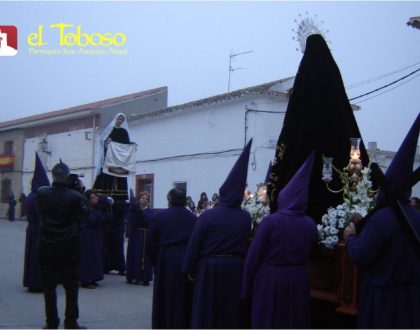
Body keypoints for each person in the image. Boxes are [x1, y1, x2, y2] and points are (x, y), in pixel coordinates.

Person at [344, 113, 420, 328]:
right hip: (412, 299)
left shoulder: (383, 218)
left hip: (384, 300)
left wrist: (350, 238)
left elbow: (360, 254)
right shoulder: (416, 216)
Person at [241, 152, 319, 328]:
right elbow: (311, 251)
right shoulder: (310, 224)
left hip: (271, 280)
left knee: (269, 319)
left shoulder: (271, 221)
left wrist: (246, 288)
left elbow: (253, 256)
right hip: (299, 280)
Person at [183, 140, 253, 329]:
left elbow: (195, 243)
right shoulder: (245, 217)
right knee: (230, 311)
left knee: (208, 310)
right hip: (235, 268)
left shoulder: (209, 215)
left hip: (210, 269)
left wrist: (189, 267)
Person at [36, 161, 89, 329]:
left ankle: (51, 322)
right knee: (71, 288)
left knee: (49, 289)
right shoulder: (74, 196)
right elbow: (83, 216)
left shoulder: (42, 193)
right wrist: (80, 193)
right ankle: (71, 322)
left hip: (46, 246)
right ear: (67, 177)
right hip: (67, 247)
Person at [147, 188, 197, 329]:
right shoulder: (193, 217)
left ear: (170, 200)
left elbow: (151, 240)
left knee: (165, 294)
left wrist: (153, 260)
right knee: (183, 295)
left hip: (166, 258)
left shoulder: (160, 215)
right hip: (185, 257)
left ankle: (163, 323)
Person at [23, 152, 50, 292]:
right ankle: (37, 283)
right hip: (40, 230)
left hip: (32, 229)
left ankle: (30, 281)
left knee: (31, 256)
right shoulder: (38, 198)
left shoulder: (30, 196)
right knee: (38, 257)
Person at [79, 189, 112, 289]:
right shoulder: (86, 208)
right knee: (88, 257)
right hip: (88, 235)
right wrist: (103, 216)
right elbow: (93, 220)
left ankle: (93, 278)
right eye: (93, 197)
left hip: (96, 235)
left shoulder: (96, 207)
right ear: (88, 199)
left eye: (96, 197)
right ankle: (86, 280)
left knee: (96, 256)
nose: (96, 199)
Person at [126, 191, 153, 286]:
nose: (144, 200)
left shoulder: (149, 211)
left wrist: (140, 212)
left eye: (146, 199)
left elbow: (149, 221)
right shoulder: (134, 210)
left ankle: (144, 277)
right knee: (134, 254)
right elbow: (131, 221)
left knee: (144, 256)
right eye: (142, 198)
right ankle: (132, 275)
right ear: (139, 199)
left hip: (144, 235)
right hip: (135, 234)